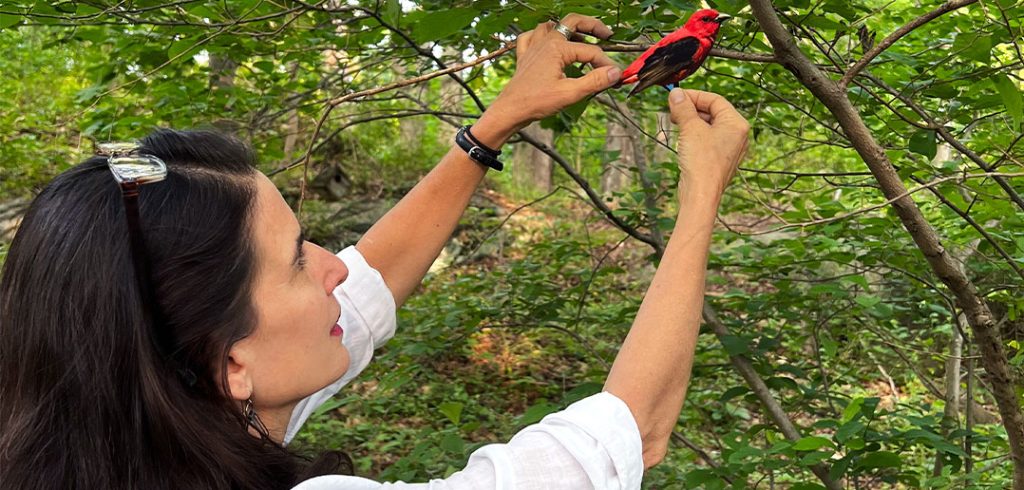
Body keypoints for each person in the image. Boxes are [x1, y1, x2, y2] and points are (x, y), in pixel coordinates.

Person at [0, 13, 748, 490]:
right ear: (230, 365)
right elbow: (625, 436)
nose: (335, 264)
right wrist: (701, 198)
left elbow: (369, 283)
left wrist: (495, 124)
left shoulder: (133, 416)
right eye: (298, 258)